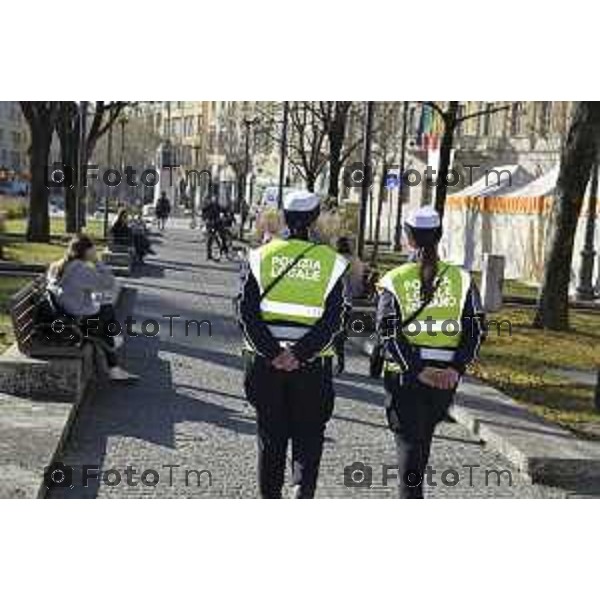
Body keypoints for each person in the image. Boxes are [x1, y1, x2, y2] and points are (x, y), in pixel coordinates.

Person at [239, 190, 349, 498]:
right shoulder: (332, 263)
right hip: (312, 368)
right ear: (315, 219)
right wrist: (299, 354)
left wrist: (275, 353)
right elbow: (333, 320)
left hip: (265, 366)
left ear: (284, 218)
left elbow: (246, 312)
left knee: (271, 438)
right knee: (309, 437)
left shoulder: (259, 257)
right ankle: (301, 488)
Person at [376, 206, 485, 499]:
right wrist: (455, 369)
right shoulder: (462, 280)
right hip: (444, 382)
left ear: (409, 238)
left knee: (411, 449)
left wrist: (417, 370)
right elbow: (476, 331)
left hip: (405, 378)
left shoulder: (394, 280)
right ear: (439, 236)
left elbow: (388, 332)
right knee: (420, 446)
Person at [47, 234, 138, 382]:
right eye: (92, 249)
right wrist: (97, 261)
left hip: (64, 317)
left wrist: (91, 299)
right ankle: (114, 350)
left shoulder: (56, 265)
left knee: (104, 311)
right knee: (107, 310)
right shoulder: (80, 269)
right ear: (87, 251)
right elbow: (109, 283)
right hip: (75, 324)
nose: (94, 252)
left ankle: (114, 363)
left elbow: (73, 291)